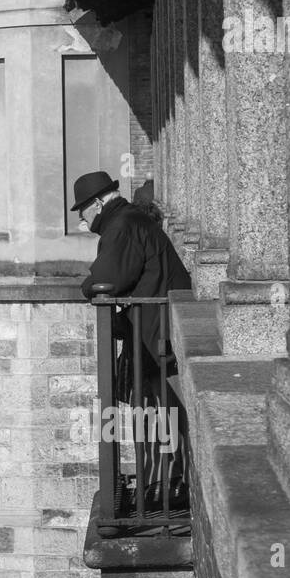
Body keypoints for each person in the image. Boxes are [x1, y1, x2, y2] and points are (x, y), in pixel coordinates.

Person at [73, 170, 191, 507]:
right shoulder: (128, 220)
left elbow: (107, 278)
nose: (82, 217)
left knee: (155, 409)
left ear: (98, 203)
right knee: (154, 408)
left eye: (82, 209)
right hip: (155, 329)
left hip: (155, 333)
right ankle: (163, 482)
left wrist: (88, 287)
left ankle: (164, 487)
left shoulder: (122, 225)